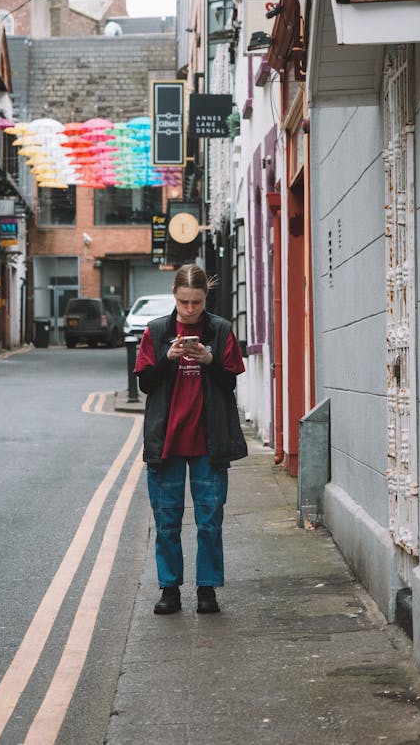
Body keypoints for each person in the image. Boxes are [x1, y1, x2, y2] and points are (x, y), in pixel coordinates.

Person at [134, 264, 248, 615]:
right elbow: (145, 385)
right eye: (184, 302)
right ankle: (169, 589)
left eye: (196, 302)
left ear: (205, 298)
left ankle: (207, 590)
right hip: (166, 443)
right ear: (175, 296)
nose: (189, 309)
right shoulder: (155, 332)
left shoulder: (221, 330)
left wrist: (211, 359)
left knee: (209, 521)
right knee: (166, 522)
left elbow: (229, 384)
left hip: (209, 443)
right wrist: (167, 360)